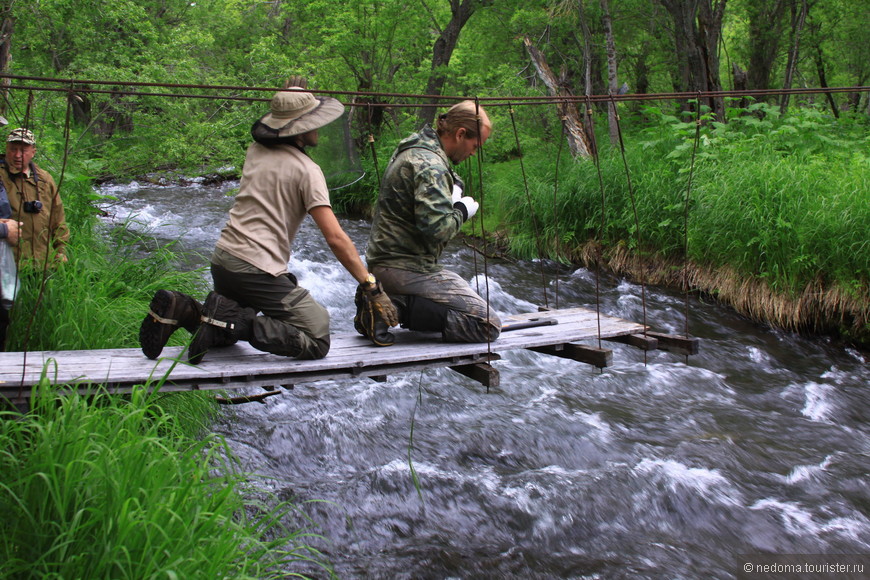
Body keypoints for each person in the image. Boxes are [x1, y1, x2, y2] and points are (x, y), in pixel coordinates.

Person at [139, 82, 397, 364]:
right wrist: (370, 286)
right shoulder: (307, 170)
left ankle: (185, 309)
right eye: (313, 122)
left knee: (224, 335)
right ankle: (235, 321)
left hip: (223, 261)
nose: (318, 128)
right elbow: (335, 238)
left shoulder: (255, 151)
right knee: (317, 335)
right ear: (299, 128)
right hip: (255, 271)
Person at [360, 100, 501, 346]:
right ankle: (392, 309)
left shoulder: (414, 147)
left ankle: (384, 304)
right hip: (407, 268)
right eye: (475, 145)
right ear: (460, 134)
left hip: (383, 262)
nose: (473, 153)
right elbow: (438, 230)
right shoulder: (431, 166)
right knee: (486, 326)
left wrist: (455, 187)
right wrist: (461, 211)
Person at [0, 128, 69, 267]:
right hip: (9, 266)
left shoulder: (44, 179)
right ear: (6, 149)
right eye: (13, 149)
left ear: (33, 152)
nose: (18, 155)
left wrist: (61, 250)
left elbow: (58, 217)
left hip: (44, 264)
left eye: (24, 150)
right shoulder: (1, 177)